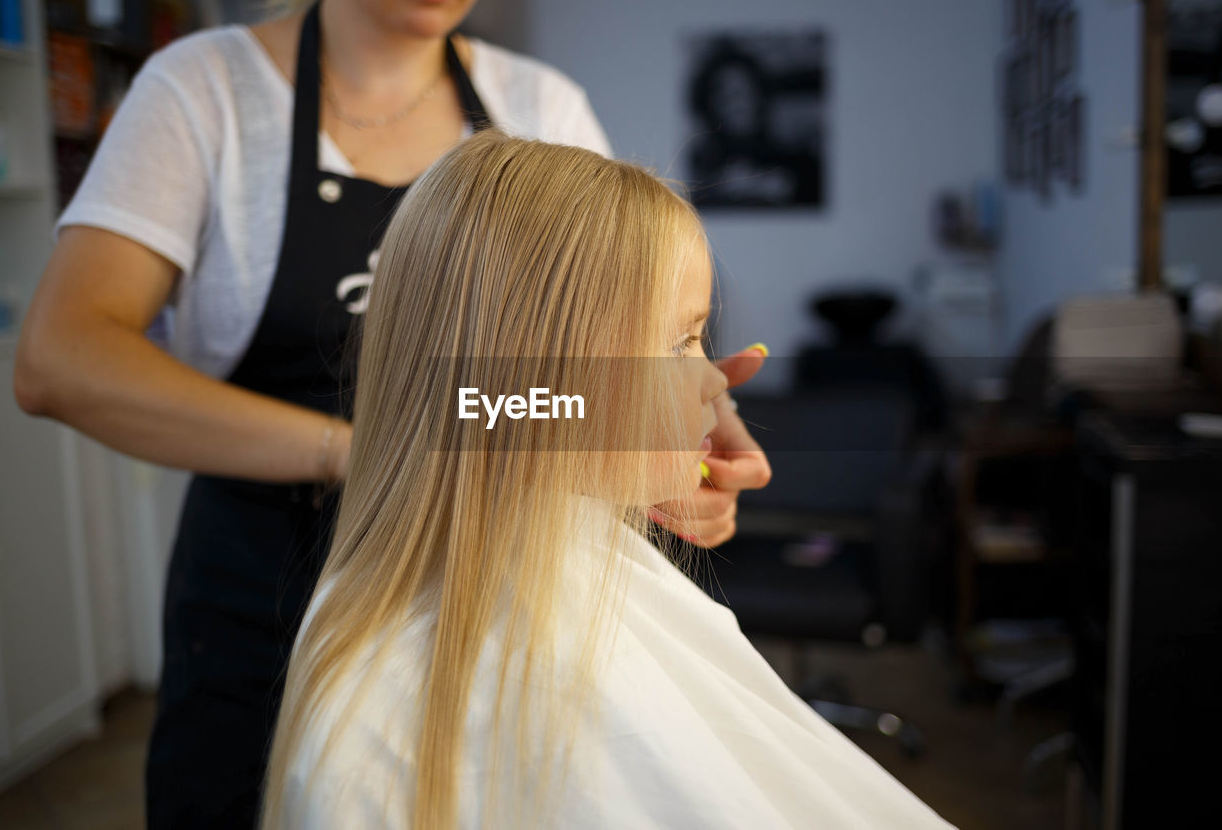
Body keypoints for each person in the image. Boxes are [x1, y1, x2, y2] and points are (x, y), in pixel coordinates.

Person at [12, 0, 770, 826]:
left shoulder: (537, 104)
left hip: (497, 576)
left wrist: (694, 413)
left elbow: (623, 330)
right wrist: (371, 447)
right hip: (264, 577)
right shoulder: (204, 92)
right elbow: (59, 360)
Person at [262, 131, 954, 829]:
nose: (715, 382)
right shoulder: (389, 721)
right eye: (679, 341)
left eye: (699, 340)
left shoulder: (563, 564)